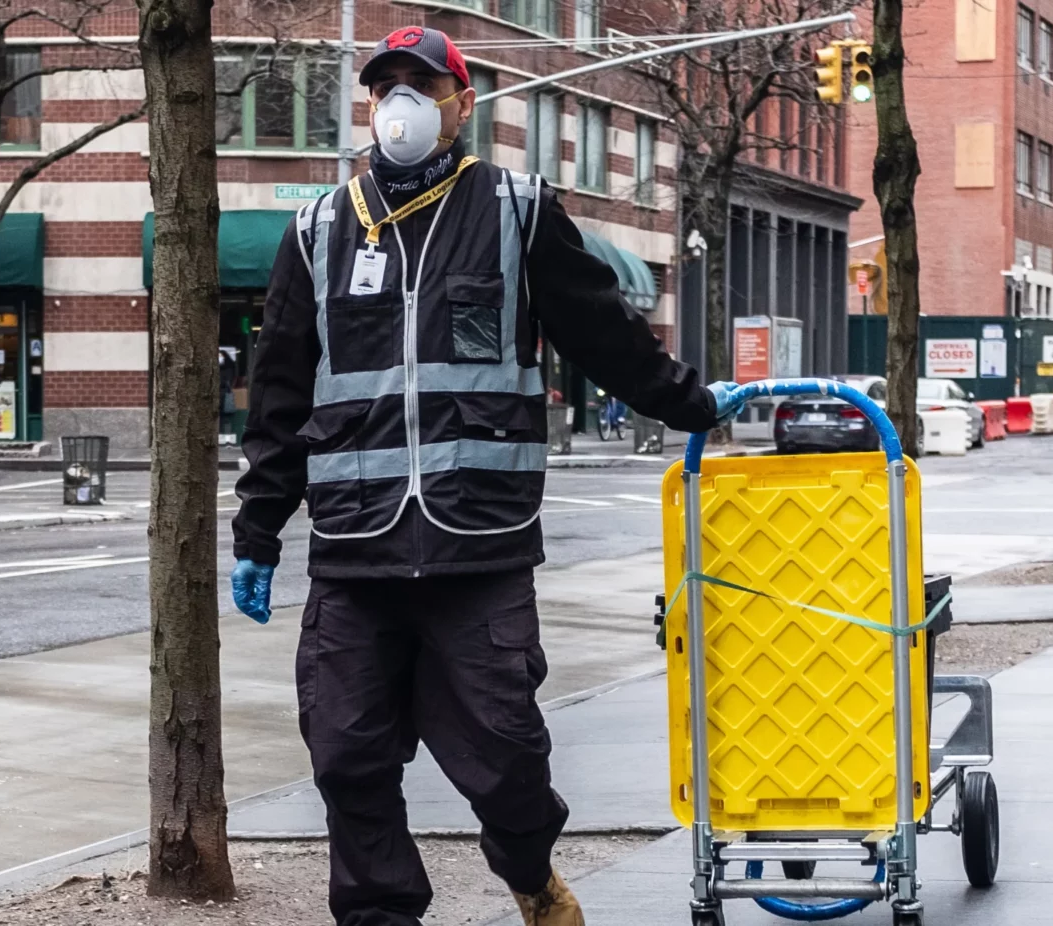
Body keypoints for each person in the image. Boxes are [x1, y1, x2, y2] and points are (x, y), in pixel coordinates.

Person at [227, 26, 746, 926]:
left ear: (461, 104)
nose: (400, 102)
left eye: (420, 84)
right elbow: (278, 392)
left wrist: (691, 402)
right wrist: (258, 530)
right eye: (385, 85)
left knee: (505, 760)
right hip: (357, 549)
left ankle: (530, 876)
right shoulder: (317, 231)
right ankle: (381, 913)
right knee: (345, 754)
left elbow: (602, 334)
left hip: (479, 546)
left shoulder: (515, 208)